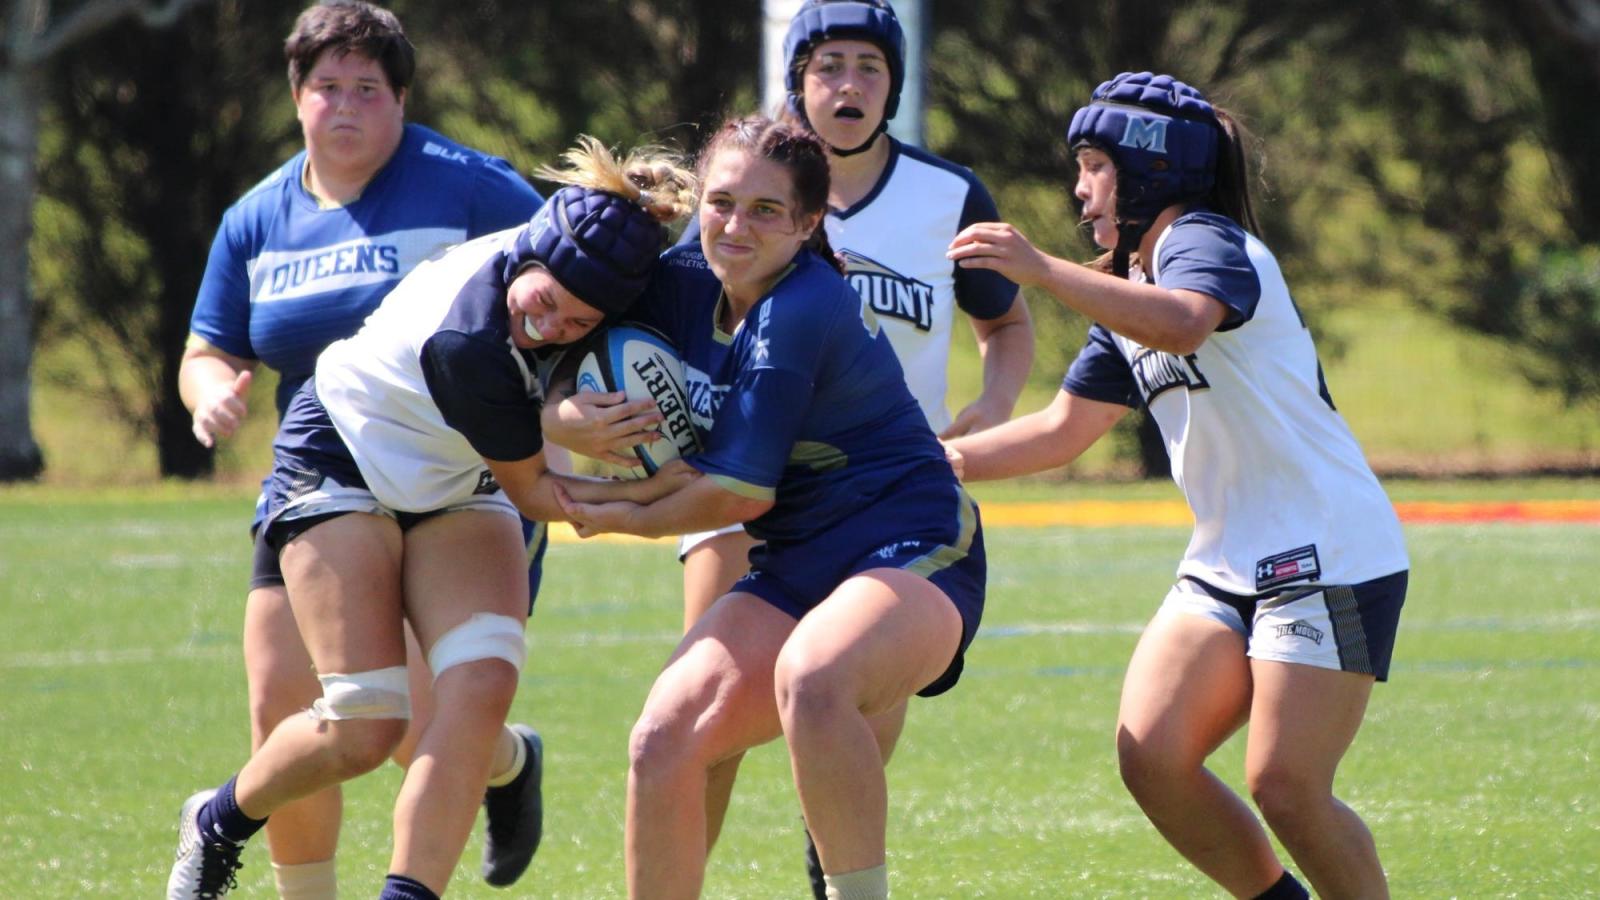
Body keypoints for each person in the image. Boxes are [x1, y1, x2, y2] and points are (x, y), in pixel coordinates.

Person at [542, 4, 1030, 891]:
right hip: (797, 557)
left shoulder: (802, 307)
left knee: (814, 681)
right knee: (663, 737)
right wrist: (562, 420)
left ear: (809, 226)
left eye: (766, 211)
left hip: (915, 541)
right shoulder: (680, 275)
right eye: (720, 203)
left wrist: (598, 507)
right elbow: (555, 341)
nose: (734, 226)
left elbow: (735, 496)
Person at [167, 143, 697, 900]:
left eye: (581, 322)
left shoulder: (582, 282)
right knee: (368, 720)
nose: (553, 326)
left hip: (457, 474)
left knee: (481, 688)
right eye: (549, 302)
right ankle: (218, 820)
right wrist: (668, 496)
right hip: (344, 451)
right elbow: (544, 496)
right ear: (532, 254)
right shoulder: (468, 340)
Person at [944, 72, 1409, 900]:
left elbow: (1187, 320)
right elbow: (1061, 432)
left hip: (1328, 555)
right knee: (1151, 752)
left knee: (1285, 785)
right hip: (1227, 563)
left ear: (1148, 167)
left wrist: (1041, 269)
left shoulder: (1198, 240)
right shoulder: (1130, 291)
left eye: (1092, 163)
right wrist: (922, 463)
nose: (1078, 187)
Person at [176, 3, 551, 895]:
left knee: (421, 718)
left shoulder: (472, 187)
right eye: (324, 87)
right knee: (293, 710)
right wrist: (208, 401)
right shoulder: (256, 217)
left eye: (366, 89)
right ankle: (494, 768)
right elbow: (208, 347)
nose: (344, 107)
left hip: (455, 471)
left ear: (402, 98)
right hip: (321, 474)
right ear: (296, 95)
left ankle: (492, 759)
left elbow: (566, 280)